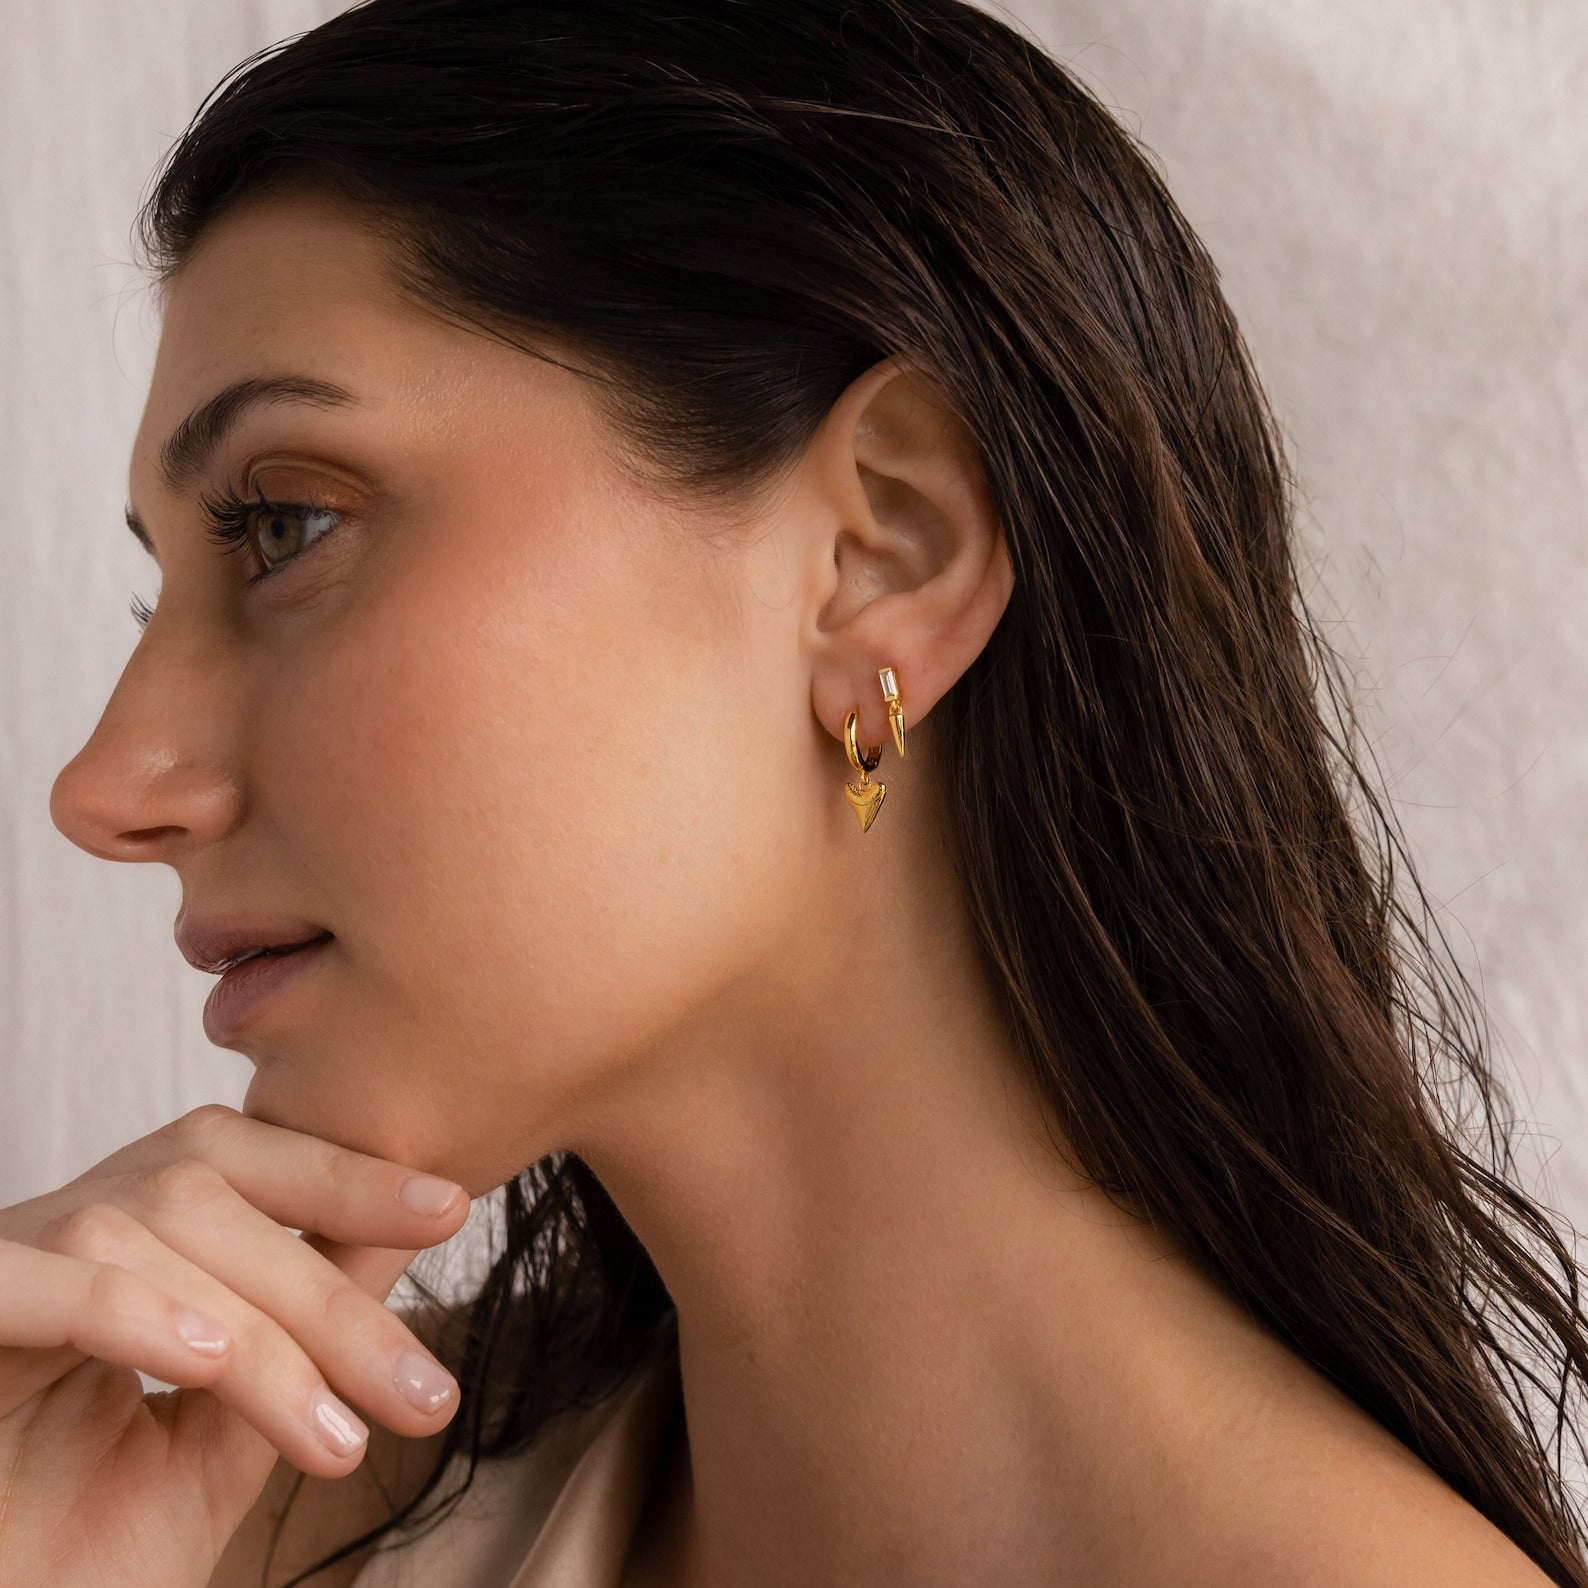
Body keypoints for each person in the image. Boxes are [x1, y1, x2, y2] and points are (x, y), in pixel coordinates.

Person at [5, 0, 1584, 1584]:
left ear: (881, 550)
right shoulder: (210, 1521)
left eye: (284, 527)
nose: (105, 788)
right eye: (156, 604)